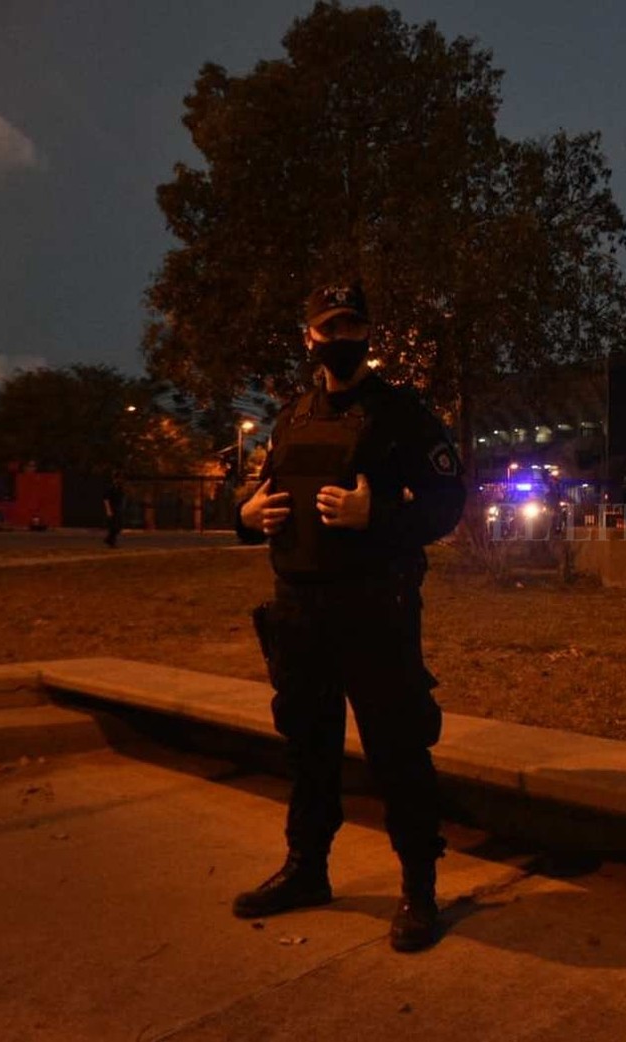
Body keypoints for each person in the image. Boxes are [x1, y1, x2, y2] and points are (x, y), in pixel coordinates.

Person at [232, 281, 466, 954]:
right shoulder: (292, 416)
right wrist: (244, 519)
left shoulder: (400, 413)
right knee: (308, 749)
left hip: (374, 610)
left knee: (397, 752)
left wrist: (380, 517)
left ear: (367, 335)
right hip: (299, 610)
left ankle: (419, 889)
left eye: (351, 326)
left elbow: (449, 501)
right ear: (309, 337)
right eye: (328, 327)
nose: (339, 338)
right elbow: (261, 493)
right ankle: (306, 870)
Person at [103, 473, 125, 547]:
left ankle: (109, 539)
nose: (120, 480)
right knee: (113, 526)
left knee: (118, 526)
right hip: (112, 508)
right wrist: (108, 510)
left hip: (118, 508)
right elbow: (106, 499)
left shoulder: (120, 488)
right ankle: (111, 541)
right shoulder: (111, 487)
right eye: (118, 478)